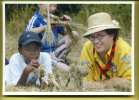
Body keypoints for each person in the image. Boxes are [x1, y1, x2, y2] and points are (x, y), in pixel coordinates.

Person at [79, 12, 131, 91]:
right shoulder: (88, 48)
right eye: (92, 37)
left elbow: (131, 84)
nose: (96, 41)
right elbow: (83, 81)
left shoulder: (124, 51)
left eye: (100, 36)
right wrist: (112, 83)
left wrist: (112, 82)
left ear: (112, 35)